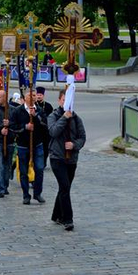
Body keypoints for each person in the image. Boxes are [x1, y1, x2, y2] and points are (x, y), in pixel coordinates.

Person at [48, 89, 86, 230]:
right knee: (64, 186)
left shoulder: (77, 119)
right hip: (57, 157)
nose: (67, 103)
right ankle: (67, 219)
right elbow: (53, 131)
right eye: (64, 100)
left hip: (71, 159)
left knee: (65, 187)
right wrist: (64, 118)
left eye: (69, 101)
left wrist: (74, 145)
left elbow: (82, 137)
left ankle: (56, 214)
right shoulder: (53, 116)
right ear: (59, 101)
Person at [10, 91, 48, 205]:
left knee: (39, 169)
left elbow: (45, 126)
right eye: (29, 95)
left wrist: (35, 116)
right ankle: (26, 195)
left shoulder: (40, 110)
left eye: (34, 95)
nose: (32, 97)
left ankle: (37, 193)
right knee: (23, 171)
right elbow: (12, 127)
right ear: (24, 98)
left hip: (37, 144)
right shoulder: (18, 111)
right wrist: (25, 127)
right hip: (23, 145)